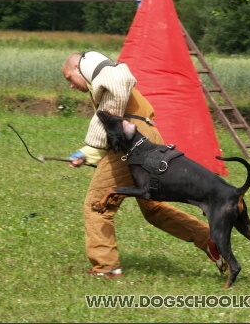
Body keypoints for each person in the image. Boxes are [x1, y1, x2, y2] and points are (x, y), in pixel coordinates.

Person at [62, 51, 226, 277]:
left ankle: (106, 268)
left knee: (97, 204)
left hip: (133, 141)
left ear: (79, 69)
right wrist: (87, 153)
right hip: (148, 136)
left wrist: (91, 148)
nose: (70, 86)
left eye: (69, 78)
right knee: (153, 208)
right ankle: (209, 239)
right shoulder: (103, 88)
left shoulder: (106, 76)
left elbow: (116, 103)